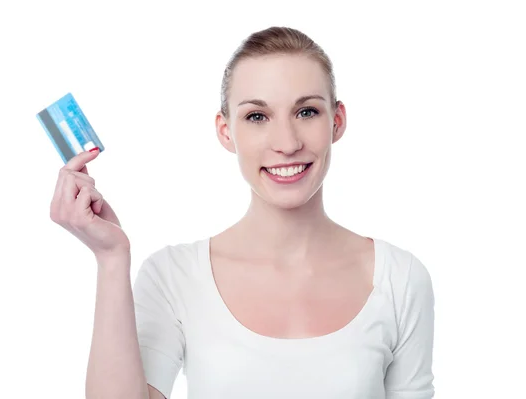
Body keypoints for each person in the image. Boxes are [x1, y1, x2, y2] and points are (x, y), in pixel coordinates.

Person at [50, 26, 435, 399]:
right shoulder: (175, 276)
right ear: (226, 131)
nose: (286, 143)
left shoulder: (399, 279)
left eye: (307, 112)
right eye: (257, 117)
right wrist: (111, 258)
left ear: (337, 121)